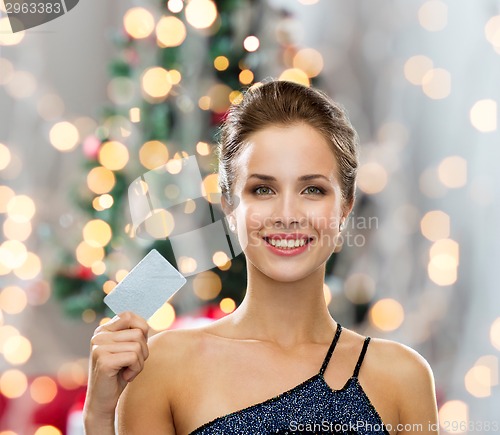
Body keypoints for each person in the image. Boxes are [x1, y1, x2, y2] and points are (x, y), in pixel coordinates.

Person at [83, 80, 439, 434]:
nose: (287, 214)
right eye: (263, 189)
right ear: (229, 207)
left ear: (345, 206)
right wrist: (98, 418)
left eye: (312, 189)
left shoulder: (403, 377)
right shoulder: (164, 367)